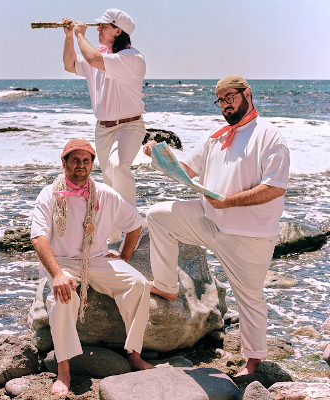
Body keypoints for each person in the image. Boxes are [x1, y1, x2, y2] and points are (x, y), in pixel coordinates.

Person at [143, 75, 290, 376]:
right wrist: (158, 157)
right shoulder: (215, 135)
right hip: (209, 219)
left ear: (247, 94)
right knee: (158, 215)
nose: (225, 105)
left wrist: (230, 201)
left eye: (230, 97)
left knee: (250, 297)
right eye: (220, 100)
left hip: (249, 234)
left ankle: (253, 362)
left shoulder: (269, 135)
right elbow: (186, 170)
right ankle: (166, 286)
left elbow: (275, 187)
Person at [31, 139, 153, 396]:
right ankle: (64, 368)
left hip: (98, 259)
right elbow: (38, 237)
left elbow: (135, 224)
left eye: (86, 160)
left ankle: (133, 354)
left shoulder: (105, 194)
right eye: (75, 160)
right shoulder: (49, 194)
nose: (81, 165)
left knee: (139, 284)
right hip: (63, 262)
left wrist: (124, 258)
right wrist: (56, 274)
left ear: (92, 164)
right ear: (64, 163)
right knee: (62, 297)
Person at [61, 8, 146, 243]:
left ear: (118, 31)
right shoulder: (98, 54)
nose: (98, 28)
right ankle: (115, 238)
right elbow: (70, 65)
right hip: (103, 129)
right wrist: (69, 36)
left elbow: (92, 59)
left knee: (118, 167)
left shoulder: (131, 57)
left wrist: (80, 34)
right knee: (109, 181)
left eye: (103, 25)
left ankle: (133, 228)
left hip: (129, 125)